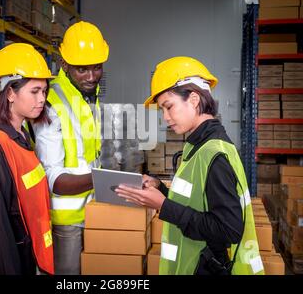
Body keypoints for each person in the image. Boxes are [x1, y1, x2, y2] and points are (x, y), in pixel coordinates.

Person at [116, 56, 264, 275]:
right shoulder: (196, 145)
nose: (165, 117)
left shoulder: (216, 154)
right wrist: (159, 188)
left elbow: (228, 230)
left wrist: (164, 206)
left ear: (194, 99)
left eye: (169, 107)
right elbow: (196, 201)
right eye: (162, 111)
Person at [0, 43, 55, 275]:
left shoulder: (21, 136)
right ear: (10, 93)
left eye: (44, 91)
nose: (42, 98)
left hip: (25, 257)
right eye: (34, 91)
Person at [34, 21, 109, 274]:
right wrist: (103, 180)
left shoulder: (88, 95)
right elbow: (53, 178)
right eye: (82, 69)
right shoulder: (51, 103)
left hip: (92, 211)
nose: (91, 76)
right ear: (64, 64)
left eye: (97, 68)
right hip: (66, 222)